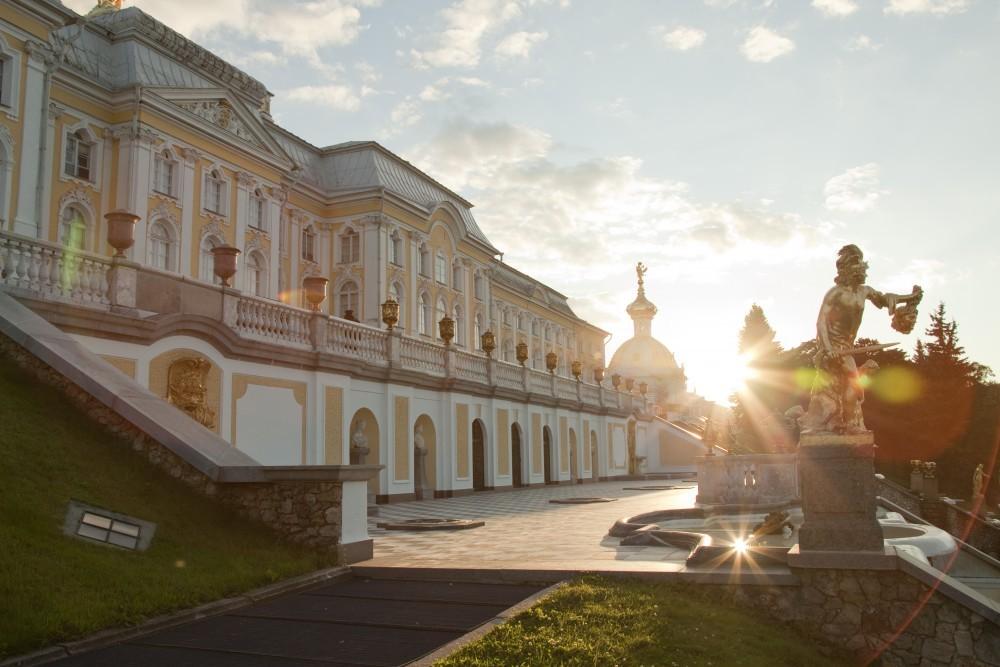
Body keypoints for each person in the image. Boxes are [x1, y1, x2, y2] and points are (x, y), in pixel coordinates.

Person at [798, 245, 922, 435]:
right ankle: (850, 425)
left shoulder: (864, 291)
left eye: (865, 269)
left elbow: (883, 299)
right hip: (833, 349)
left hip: (847, 347)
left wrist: (910, 297)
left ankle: (845, 423)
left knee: (851, 387)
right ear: (850, 271)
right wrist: (828, 348)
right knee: (854, 387)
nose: (865, 273)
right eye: (861, 270)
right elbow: (821, 322)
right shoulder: (835, 293)